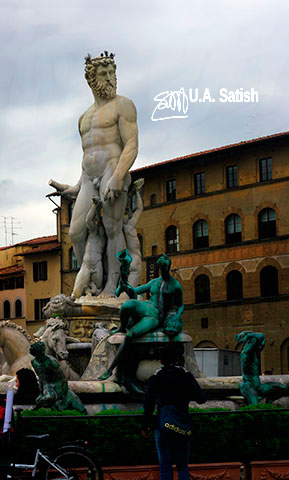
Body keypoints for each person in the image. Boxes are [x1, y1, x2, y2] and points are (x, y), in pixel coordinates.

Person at [49, 51, 138, 299]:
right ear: (91, 80)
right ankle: (92, 281)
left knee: (112, 228)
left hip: (113, 170)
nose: (109, 78)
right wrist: (75, 187)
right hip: (88, 178)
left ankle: (112, 288)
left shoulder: (124, 105)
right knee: (76, 232)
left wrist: (119, 175)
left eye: (112, 73)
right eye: (103, 74)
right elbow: (87, 156)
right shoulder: (84, 118)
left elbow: (131, 145)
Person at [99, 254, 184, 388]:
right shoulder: (154, 282)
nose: (164, 271)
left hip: (155, 316)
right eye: (162, 268)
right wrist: (125, 284)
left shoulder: (175, 286)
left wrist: (176, 316)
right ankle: (121, 327)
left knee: (131, 335)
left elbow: (180, 306)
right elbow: (135, 291)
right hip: (147, 306)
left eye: (166, 268)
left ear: (169, 267)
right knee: (127, 305)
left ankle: (110, 370)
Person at [142, 343, 206, 480]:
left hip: (163, 424)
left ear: (160, 361)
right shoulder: (186, 375)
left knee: (165, 467)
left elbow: (148, 404)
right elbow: (201, 398)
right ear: (177, 358)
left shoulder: (156, 377)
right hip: (182, 423)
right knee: (182, 466)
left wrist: (145, 426)